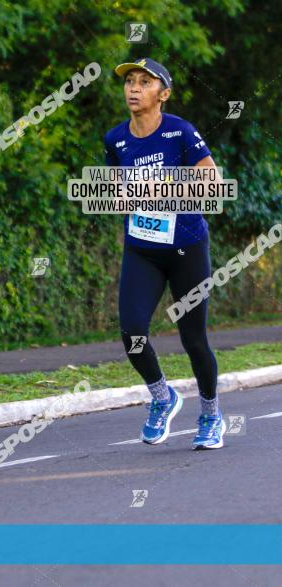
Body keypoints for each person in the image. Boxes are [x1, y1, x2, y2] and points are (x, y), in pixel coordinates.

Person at [104, 58, 225, 449]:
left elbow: (213, 183)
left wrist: (155, 190)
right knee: (132, 331)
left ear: (163, 94)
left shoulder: (180, 133)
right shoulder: (115, 139)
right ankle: (162, 397)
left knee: (193, 340)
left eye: (144, 82)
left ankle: (210, 414)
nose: (133, 88)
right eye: (129, 82)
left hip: (187, 247)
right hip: (142, 249)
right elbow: (113, 191)